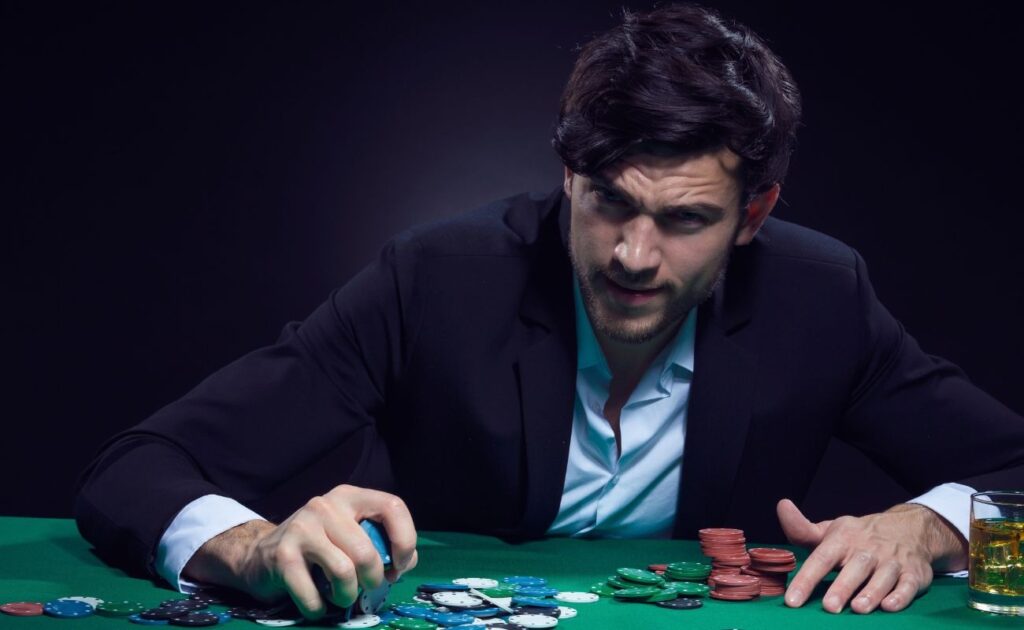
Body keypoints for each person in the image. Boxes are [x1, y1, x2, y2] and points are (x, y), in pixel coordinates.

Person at [75, 2, 1024, 620]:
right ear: (569, 175)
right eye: (609, 201)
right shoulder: (434, 281)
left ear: (754, 214)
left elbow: (1011, 464)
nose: (633, 255)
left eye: (685, 219)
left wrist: (928, 526)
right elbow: (135, 469)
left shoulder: (821, 297)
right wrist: (250, 544)